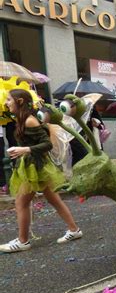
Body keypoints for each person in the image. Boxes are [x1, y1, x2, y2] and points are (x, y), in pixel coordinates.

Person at [0, 89, 82, 253]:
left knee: (21, 202)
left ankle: (23, 241)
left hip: (35, 167)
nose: (6, 103)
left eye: (9, 100)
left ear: (20, 101)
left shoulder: (30, 121)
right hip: (34, 166)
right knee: (54, 199)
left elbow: (47, 144)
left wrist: (25, 150)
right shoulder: (22, 119)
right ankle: (74, 230)